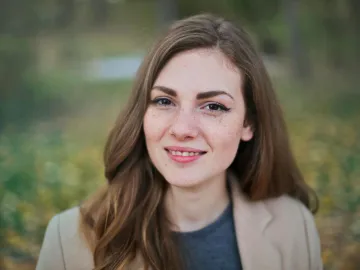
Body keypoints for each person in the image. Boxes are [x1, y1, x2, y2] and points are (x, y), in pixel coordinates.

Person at [36, 13, 323, 270]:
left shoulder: (294, 227)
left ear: (249, 123)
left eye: (213, 106)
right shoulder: (69, 241)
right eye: (164, 101)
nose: (183, 129)